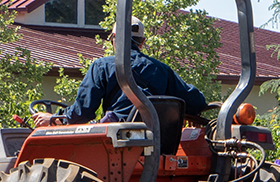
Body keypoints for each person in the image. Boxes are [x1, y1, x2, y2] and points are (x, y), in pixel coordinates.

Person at [33, 17, 208, 127]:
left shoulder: (102, 66)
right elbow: (196, 102)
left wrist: (55, 118)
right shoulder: (162, 70)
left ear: (114, 39)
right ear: (142, 42)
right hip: (158, 144)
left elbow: (83, 112)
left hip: (117, 143)